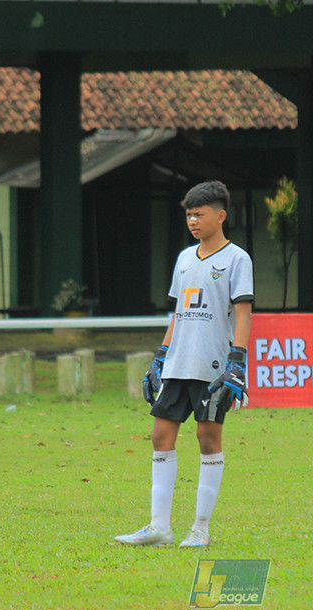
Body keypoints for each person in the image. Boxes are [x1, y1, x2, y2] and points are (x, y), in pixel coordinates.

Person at [115, 180, 253, 548]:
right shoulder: (184, 259)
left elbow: (242, 315)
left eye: (200, 214)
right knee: (161, 436)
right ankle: (159, 527)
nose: (193, 220)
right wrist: (159, 358)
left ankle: (200, 529)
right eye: (189, 214)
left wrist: (236, 363)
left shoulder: (237, 259)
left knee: (208, 440)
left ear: (220, 216)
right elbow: (178, 313)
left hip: (212, 367)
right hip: (178, 363)